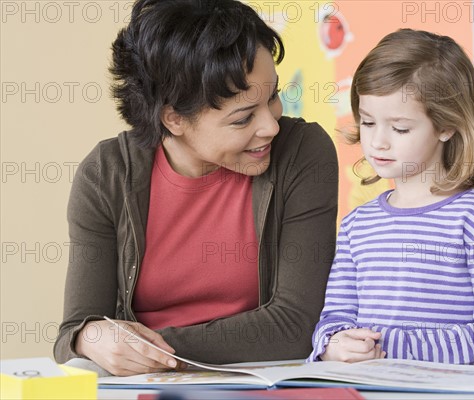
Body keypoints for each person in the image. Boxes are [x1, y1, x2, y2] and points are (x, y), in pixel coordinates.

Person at [54, 0, 338, 376]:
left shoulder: (302, 154)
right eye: (243, 118)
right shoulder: (106, 175)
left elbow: (296, 326)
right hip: (144, 384)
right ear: (173, 118)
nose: (271, 126)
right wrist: (90, 337)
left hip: (262, 381)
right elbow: (72, 333)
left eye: (272, 97)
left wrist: (146, 347)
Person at [308, 29, 474, 365]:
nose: (378, 141)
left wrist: (391, 348)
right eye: (367, 122)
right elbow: (334, 319)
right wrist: (332, 346)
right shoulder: (356, 226)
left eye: (400, 128)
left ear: (446, 126)